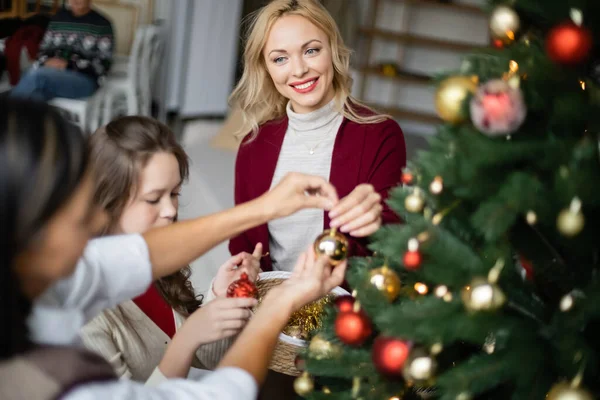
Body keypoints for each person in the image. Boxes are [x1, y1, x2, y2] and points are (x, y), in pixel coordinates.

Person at [0, 97, 346, 400]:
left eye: (175, 193)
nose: (92, 221)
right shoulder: (61, 381)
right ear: (27, 231)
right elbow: (220, 393)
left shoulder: (45, 273)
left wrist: (264, 208)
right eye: (77, 216)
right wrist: (277, 307)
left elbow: (139, 256)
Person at [228, 0, 406, 273]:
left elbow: (392, 242)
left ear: (332, 50)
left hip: (344, 305)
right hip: (272, 300)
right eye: (280, 58)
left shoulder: (381, 134)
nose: (298, 70)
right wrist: (246, 266)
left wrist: (374, 220)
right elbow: (242, 240)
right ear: (266, 68)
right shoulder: (254, 145)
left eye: (311, 50)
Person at [79, 116, 262, 382]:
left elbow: (206, 358)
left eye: (174, 194)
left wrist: (222, 296)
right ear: (107, 201)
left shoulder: (153, 258)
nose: (170, 210)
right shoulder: (82, 310)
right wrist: (186, 340)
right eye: (153, 199)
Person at [10, 0, 113, 101]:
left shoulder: (102, 25)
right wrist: (47, 61)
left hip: (84, 80)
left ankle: (6, 112)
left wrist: (68, 65)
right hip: (52, 75)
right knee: (36, 95)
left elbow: (103, 64)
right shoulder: (58, 19)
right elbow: (43, 50)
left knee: (37, 76)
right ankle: (16, 115)